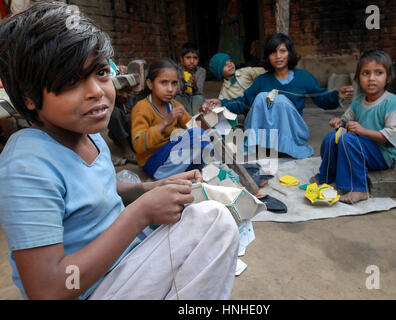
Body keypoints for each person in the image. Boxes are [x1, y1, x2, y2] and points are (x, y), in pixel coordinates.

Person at [0, 2, 239, 300]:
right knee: (214, 223)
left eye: (101, 72)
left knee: (204, 210)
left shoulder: (88, 135)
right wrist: (139, 215)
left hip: (122, 264)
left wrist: (148, 189)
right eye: (72, 80)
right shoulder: (26, 166)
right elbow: (46, 290)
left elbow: (99, 187)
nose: (97, 91)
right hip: (91, 290)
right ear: (29, 96)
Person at [202, 33, 354, 159]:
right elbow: (244, 103)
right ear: (268, 57)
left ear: (290, 53)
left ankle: (284, 146)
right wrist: (221, 103)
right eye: (273, 52)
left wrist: (336, 94)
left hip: (292, 131)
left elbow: (321, 98)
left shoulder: (304, 77)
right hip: (268, 133)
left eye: (282, 51)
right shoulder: (263, 80)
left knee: (278, 98)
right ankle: (265, 144)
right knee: (262, 97)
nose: (278, 56)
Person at [310, 49, 396, 204]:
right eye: (366, 73)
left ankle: (359, 189)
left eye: (379, 73)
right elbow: (346, 119)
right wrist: (339, 122)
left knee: (348, 139)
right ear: (357, 78)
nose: (372, 78)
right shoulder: (358, 101)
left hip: (382, 155)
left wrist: (363, 131)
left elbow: (392, 137)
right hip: (360, 148)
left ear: (388, 77)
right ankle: (326, 176)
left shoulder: (394, 103)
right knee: (331, 138)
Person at [131, 58, 213, 180]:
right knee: (197, 135)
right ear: (150, 84)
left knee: (213, 133)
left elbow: (193, 126)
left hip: (173, 157)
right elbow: (138, 144)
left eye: (174, 83)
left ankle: (211, 166)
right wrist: (165, 122)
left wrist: (203, 115)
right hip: (154, 163)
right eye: (163, 82)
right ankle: (210, 168)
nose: (170, 89)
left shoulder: (175, 105)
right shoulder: (142, 107)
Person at [107, 65, 137, 164]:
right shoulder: (110, 101)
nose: (124, 95)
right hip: (119, 136)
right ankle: (126, 148)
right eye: (120, 91)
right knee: (113, 113)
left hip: (135, 133)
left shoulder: (133, 97)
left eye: (127, 91)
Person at [174, 43, 206, 116]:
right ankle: (187, 122)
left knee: (199, 98)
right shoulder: (176, 71)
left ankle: (197, 122)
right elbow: (176, 92)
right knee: (179, 99)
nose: (192, 61)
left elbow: (199, 92)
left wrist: (195, 86)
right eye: (188, 58)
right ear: (182, 59)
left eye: (195, 58)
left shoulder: (201, 71)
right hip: (182, 97)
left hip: (194, 97)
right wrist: (183, 87)